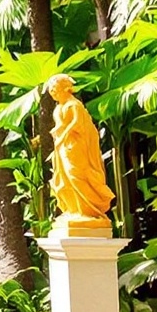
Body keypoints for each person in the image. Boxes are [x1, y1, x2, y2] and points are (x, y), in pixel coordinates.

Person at [47, 75, 115, 235]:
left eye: (56, 91)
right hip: (64, 148)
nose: (54, 95)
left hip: (76, 147)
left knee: (76, 175)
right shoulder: (59, 108)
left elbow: (77, 124)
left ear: (65, 89)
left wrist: (63, 135)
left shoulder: (74, 105)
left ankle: (89, 210)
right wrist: (58, 133)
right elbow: (60, 125)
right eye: (52, 93)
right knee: (64, 179)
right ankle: (74, 209)